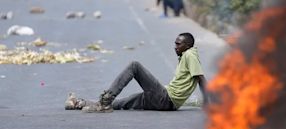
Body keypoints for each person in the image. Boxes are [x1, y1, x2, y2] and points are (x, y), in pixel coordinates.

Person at [65, 32, 208, 113]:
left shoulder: (190, 55)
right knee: (120, 104)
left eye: (178, 44)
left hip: (165, 99)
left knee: (135, 66)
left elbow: (201, 78)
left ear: (188, 45)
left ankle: (104, 101)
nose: (175, 46)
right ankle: (80, 103)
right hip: (162, 99)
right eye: (175, 43)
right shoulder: (186, 55)